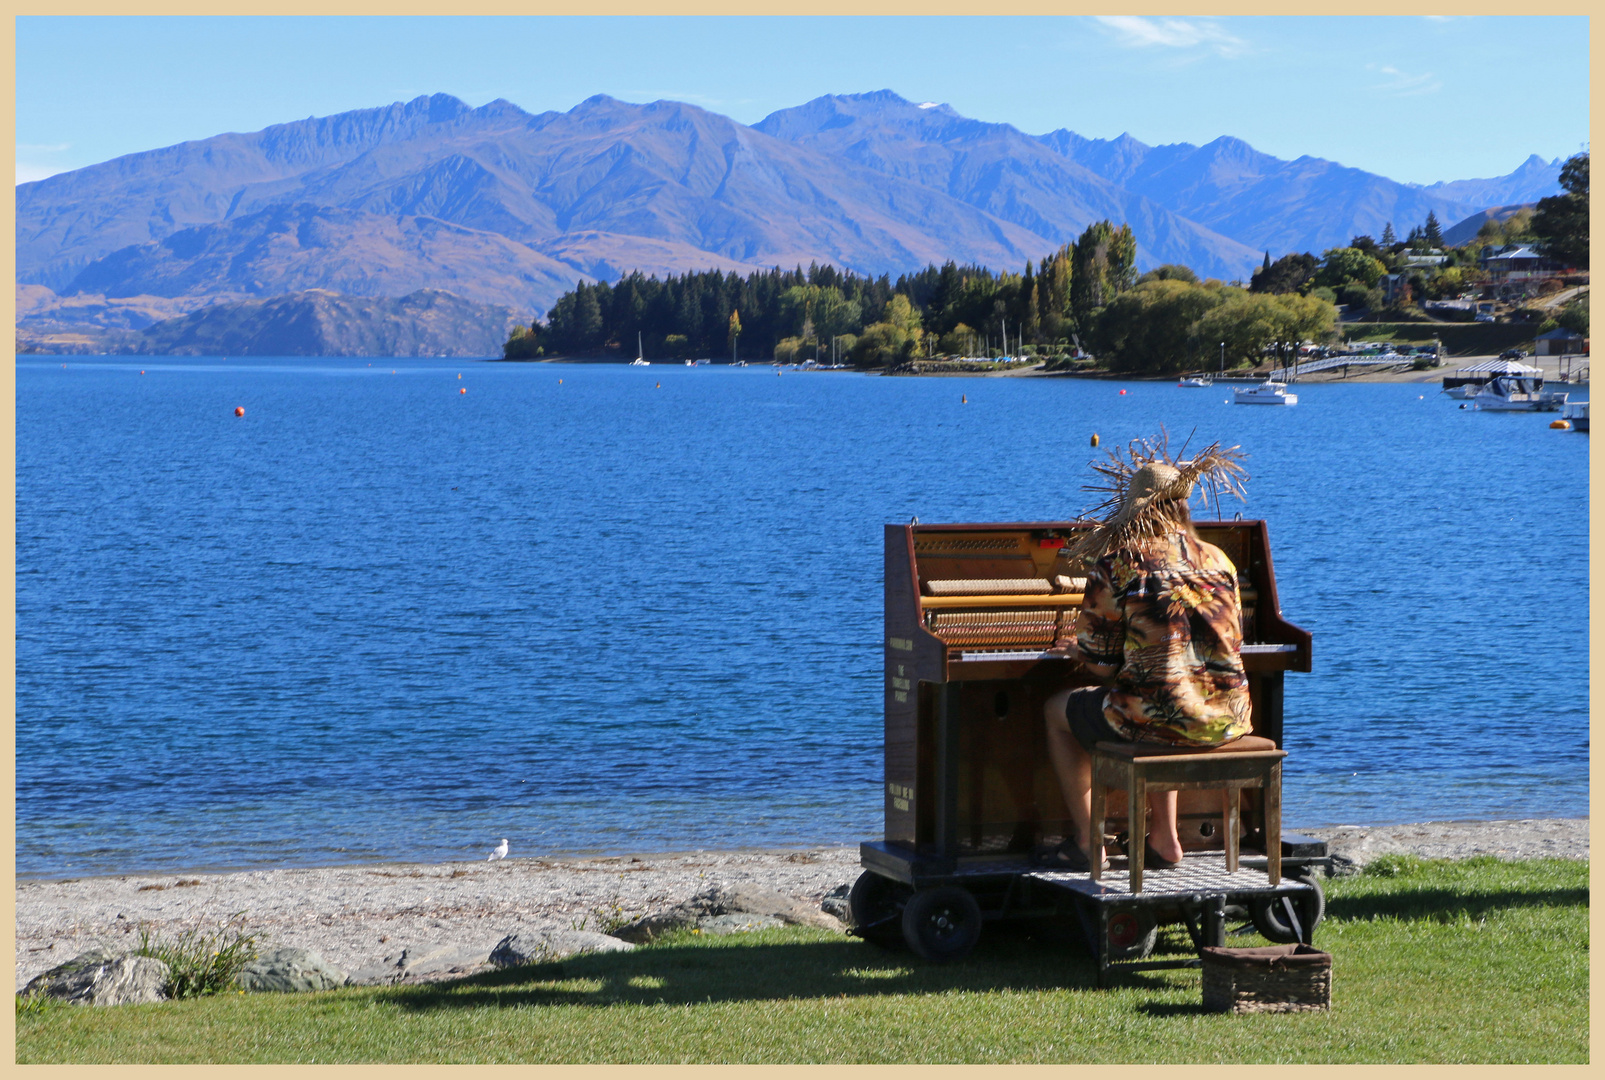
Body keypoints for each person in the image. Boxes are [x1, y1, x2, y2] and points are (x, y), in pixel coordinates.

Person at [1040, 437, 1252, 873]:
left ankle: (1088, 842)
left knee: (1057, 711)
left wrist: (1078, 650)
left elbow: (1100, 668)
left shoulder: (1119, 564)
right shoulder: (1220, 560)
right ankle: (1166, 839)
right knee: (1167, 690)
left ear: (1135, 512)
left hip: (1159, 716)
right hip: (1228, 716)